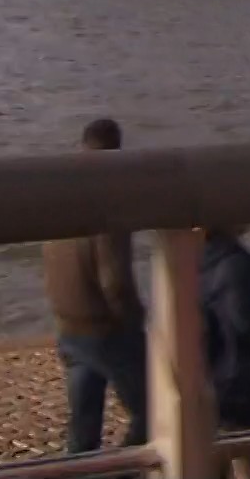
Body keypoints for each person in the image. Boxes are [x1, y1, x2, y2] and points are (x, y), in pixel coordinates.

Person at [42, 118, 149, 457]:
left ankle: (80, 470)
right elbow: (114, 282)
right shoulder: (108, 204)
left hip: (68, 324)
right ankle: (127, 469)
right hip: (104, 329)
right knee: (152, 409)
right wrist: (135, 319)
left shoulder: (60, 198)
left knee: (83, 426)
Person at [200, 226, 250, 479]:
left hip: (207, 375)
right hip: (238, 377)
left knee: (212, 458)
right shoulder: (235, 263)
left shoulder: (192, 259)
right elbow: (246, 322)